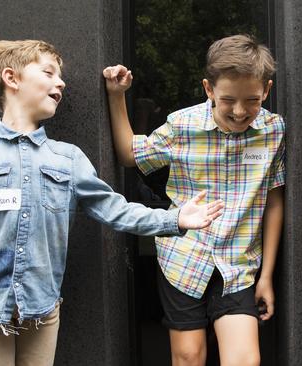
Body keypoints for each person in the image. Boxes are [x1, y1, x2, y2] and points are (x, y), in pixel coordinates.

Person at [0, 39, 223, 366]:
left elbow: (115, 210)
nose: (60, 83)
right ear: (11, 78)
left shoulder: (68, 158)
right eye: (48, 72)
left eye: (60, 76)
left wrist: (173, 219)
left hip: (42, 309)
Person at [103, 34, 285, 366]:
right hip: (185, 259)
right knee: (188, 357)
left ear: (267, 91)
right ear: (209, 89)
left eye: (253, 99)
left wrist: (267, 276)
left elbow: (273, 201)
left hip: (239, 263)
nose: (241, 111)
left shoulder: (273, 131)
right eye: (228, 99)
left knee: (244, 360)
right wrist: (117, 96)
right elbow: (130, 155)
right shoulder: (182, 126)